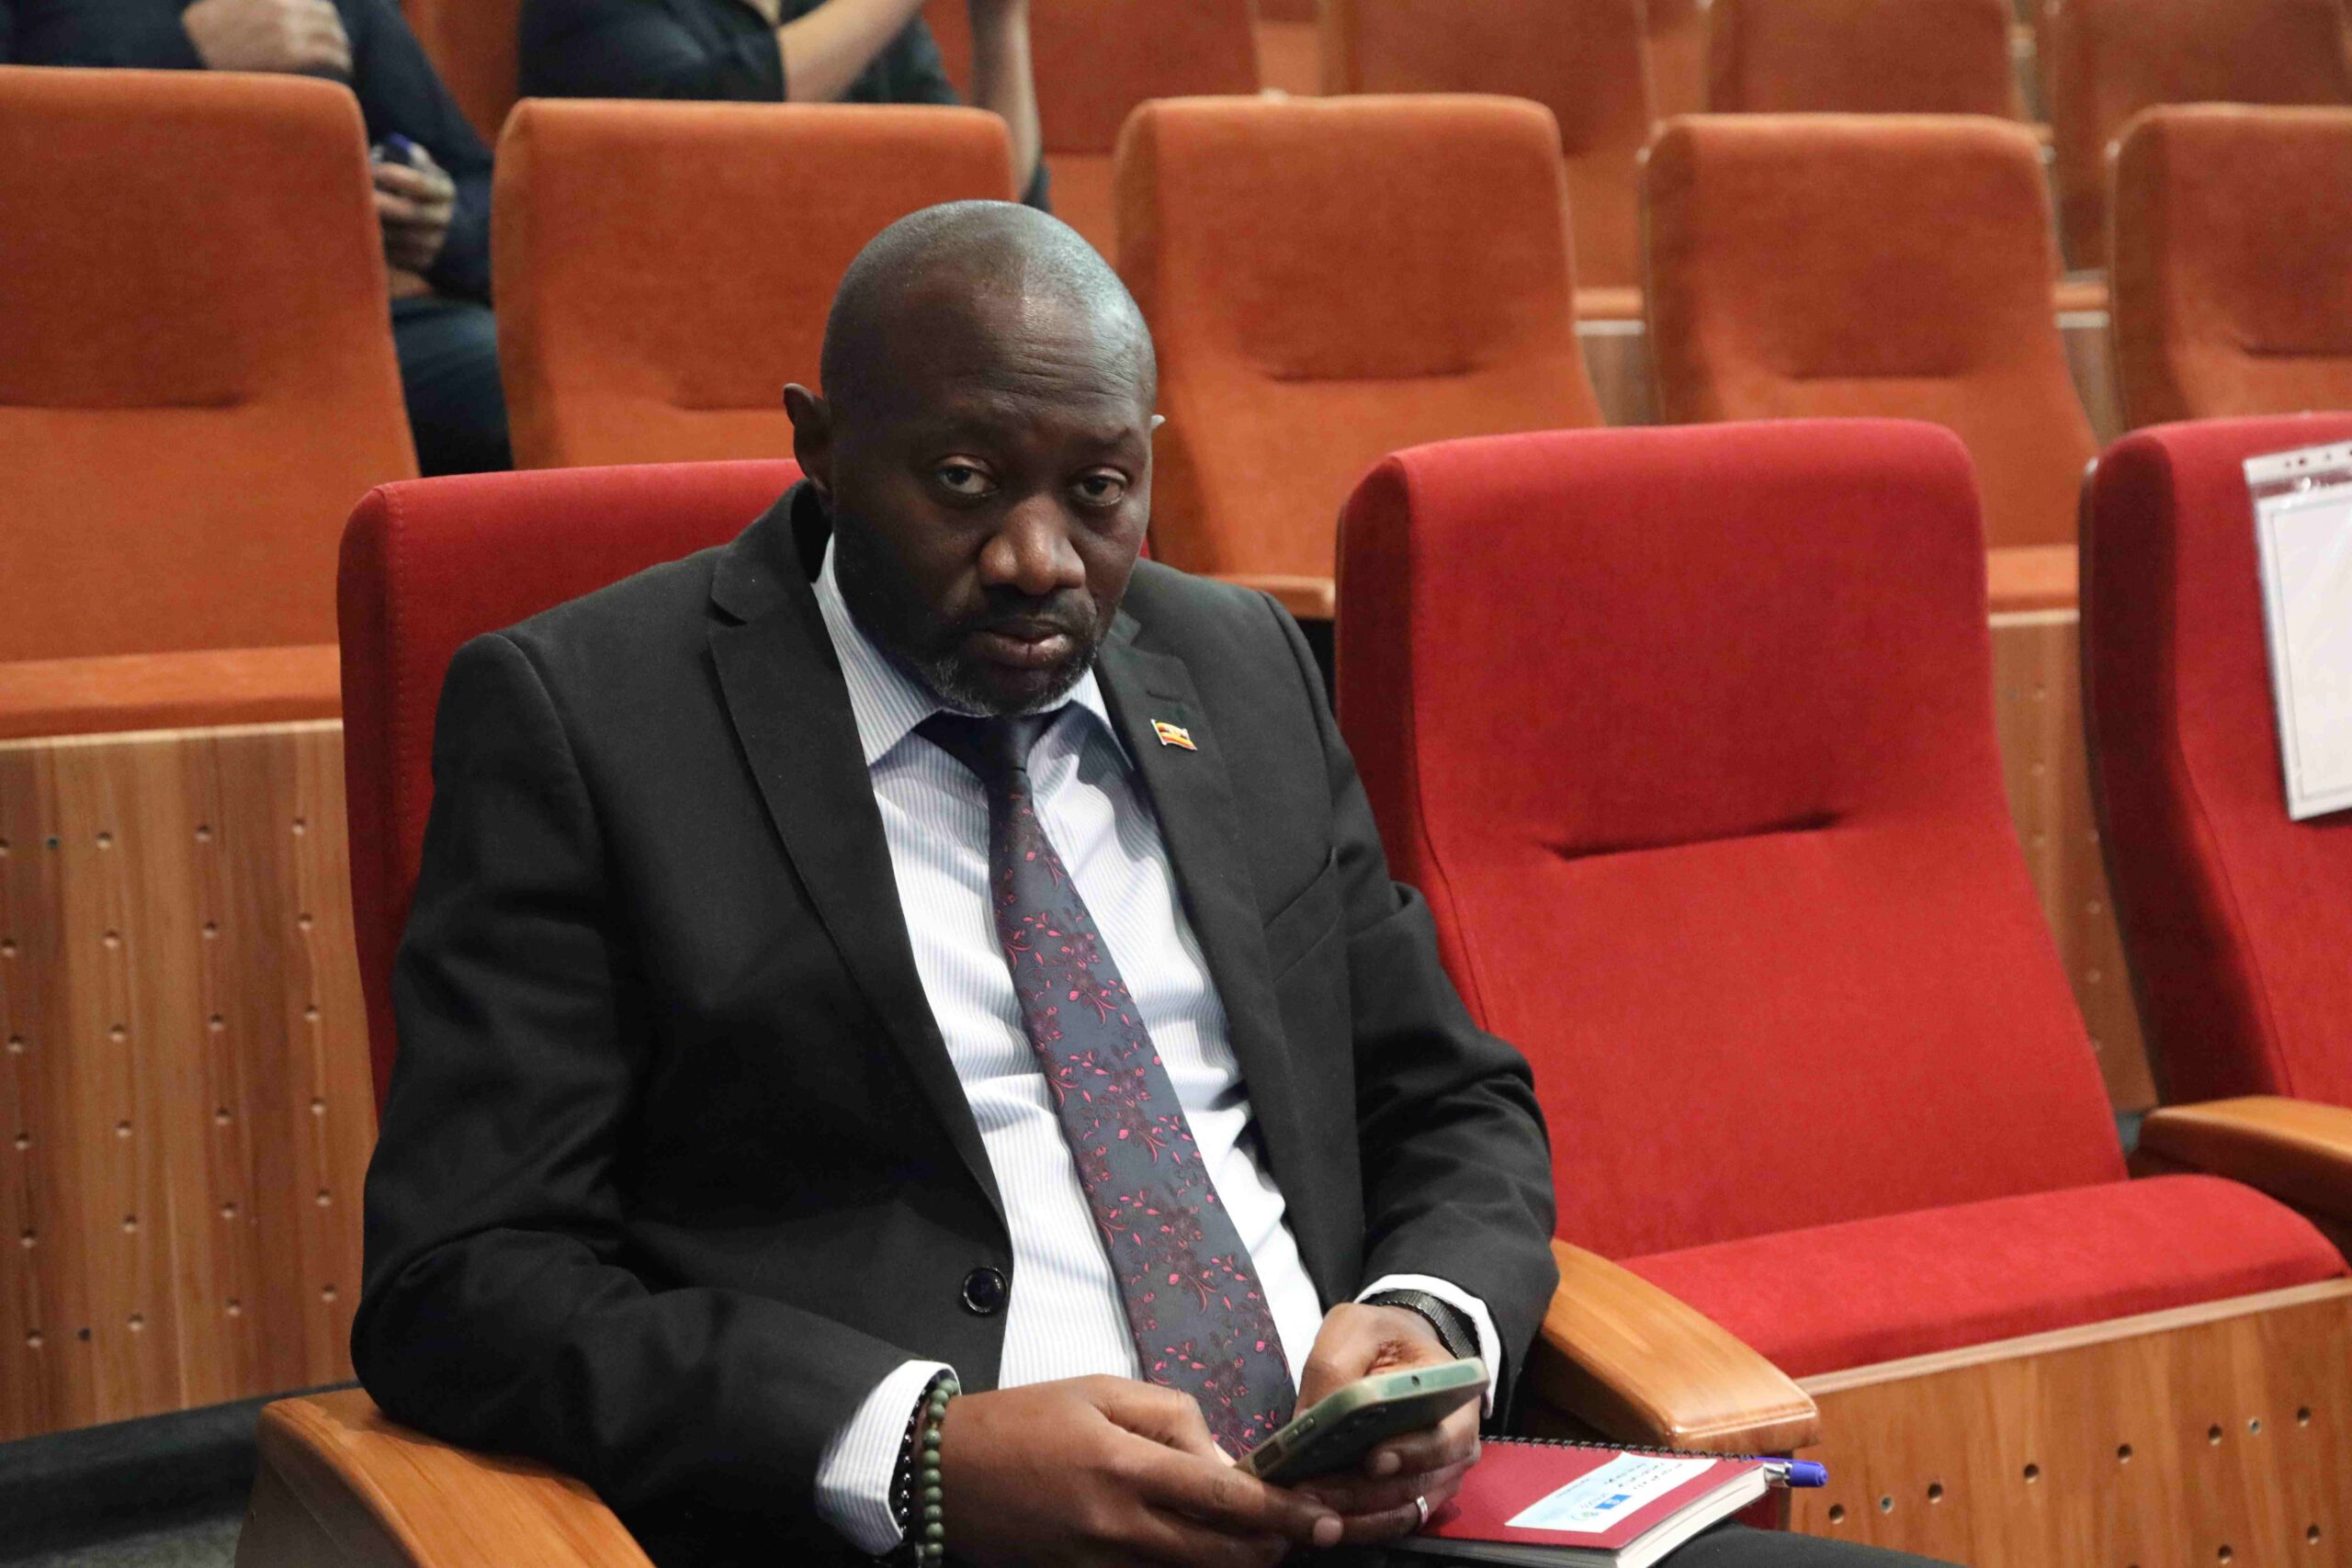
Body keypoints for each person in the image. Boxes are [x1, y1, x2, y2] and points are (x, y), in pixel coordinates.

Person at [355, 200, 1952, 1568]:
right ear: (821, 447)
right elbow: (464, 1278)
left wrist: (1430, 1320)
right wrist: (917, 1451)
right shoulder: (590, 720)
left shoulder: (1235, 661)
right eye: (965, 480)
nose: (1040, 557)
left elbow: (1450, 1097)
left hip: (1353, 1515)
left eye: (1098, 491)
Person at [1, 0, 513, 476]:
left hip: (316, 333)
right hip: (84, 338)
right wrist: (181, 54)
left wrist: (443, 223)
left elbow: (482, 192)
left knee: (516, 372)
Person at [520, 0, 1046, 206]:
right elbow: (695, 130)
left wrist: (999, 24)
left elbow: (989, 200)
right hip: (679, 313)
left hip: (863, 315)